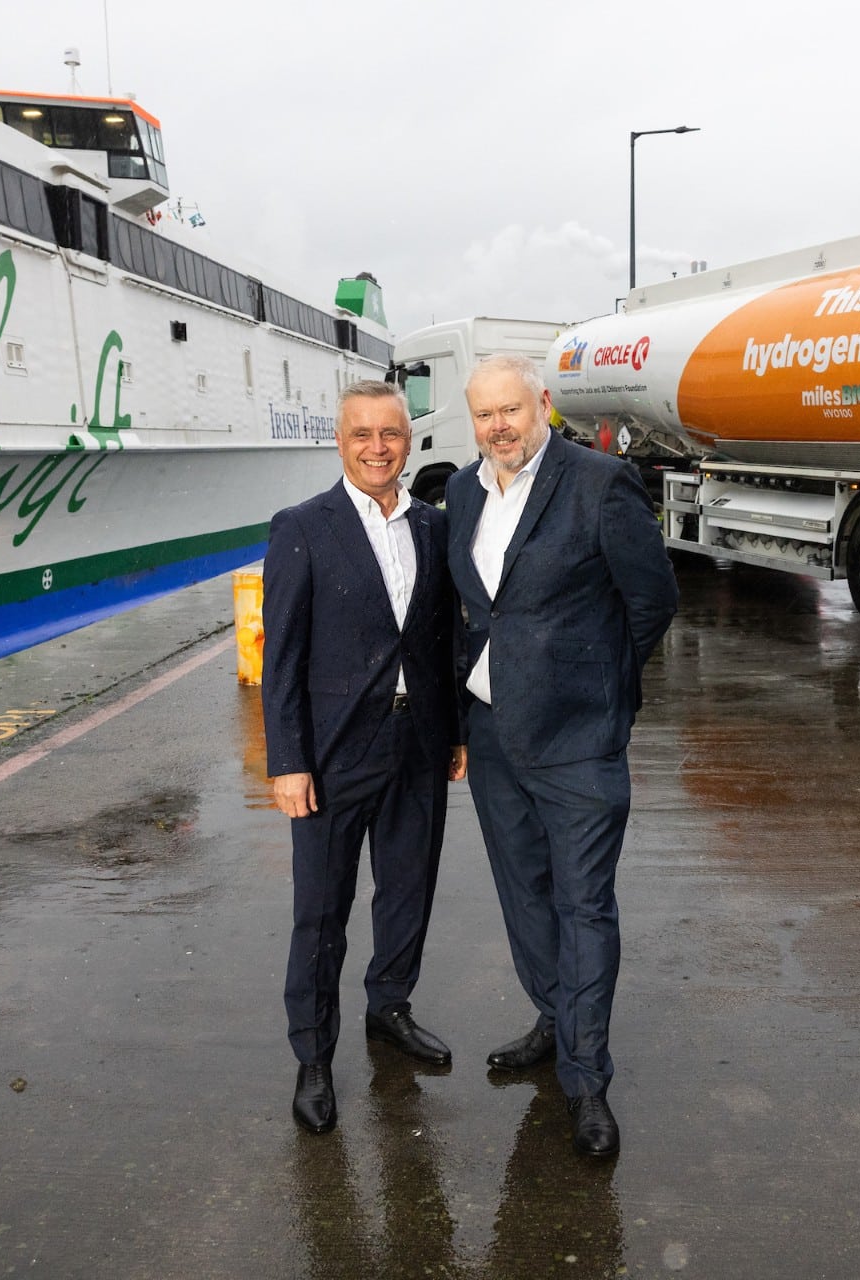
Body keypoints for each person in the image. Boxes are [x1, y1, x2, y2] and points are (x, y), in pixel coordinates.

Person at [444, 354, 679, 1157]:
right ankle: (554, 1016)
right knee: (525, 895)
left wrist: (600, 691)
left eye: (510, 410)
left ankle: (586, 1079)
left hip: (578, 739)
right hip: (491, 733)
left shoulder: (600, 483)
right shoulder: (463, 491)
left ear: (542, 403)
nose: (498, 428)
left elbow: (652, 599)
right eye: (484, 415)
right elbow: (474, 612)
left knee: (584, 906)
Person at [262, 379, 466, 1135]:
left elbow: (443, 640)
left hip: (418, 745)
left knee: (408, 890)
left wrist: (455, 733)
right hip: (332, 752)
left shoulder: (434, 527)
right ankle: (314, 1057)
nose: (378, 448)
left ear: (409, 440)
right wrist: (288, 761)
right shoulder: (302, 528)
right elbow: (281, 659)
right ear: (339, 441)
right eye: (362, 434)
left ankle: (390, 1007)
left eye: (391, 434)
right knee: (321, 911)